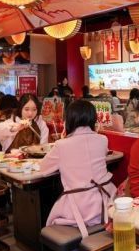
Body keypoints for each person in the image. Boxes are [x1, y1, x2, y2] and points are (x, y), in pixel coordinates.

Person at [41, 100, 116, 237]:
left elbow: (44, 169)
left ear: (69, 120)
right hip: (106, 201)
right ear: (93, 118)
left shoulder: (61, 145)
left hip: (79, 208)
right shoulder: (103, 139)